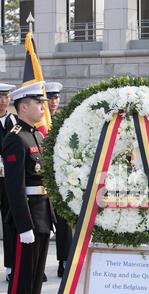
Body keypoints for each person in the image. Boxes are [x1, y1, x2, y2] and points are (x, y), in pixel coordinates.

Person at [3, 81, 56, 294]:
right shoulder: (14, 138)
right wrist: (24, 226)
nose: (42, 107)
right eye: (38, 103)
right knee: (22, 276)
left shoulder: (37, 135)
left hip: (41, 215)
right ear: (23, 106)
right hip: (26, 220)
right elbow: (14, 187)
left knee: (35, 276)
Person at [45, 82, 72, 278]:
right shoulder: (39, 123)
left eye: (56, 98)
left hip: (61, 179)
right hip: (41, 179)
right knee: (44, 225)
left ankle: (64, 261)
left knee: (63, 224)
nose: (53, 102)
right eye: (50, 98)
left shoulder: (65, 120)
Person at [0, 83, 17, 282]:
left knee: (10, 223)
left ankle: (10, 266)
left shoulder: (15, 122)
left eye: (5, 96)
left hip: (8, 181)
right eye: (0, 96)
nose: (3, 100)